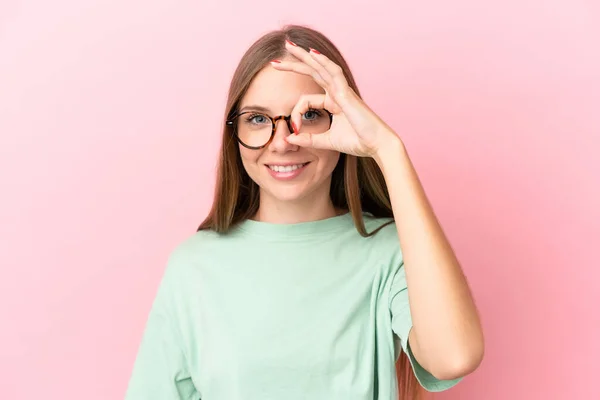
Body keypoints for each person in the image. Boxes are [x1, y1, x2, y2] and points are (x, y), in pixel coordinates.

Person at [125, 24, 484, 400]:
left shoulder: (390, 252)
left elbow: (454, 357)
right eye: (258, 119)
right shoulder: (193, 266)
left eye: (309, 114)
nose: (282, 143)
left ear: (343, 118)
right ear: (234, 132)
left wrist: (387, 150)